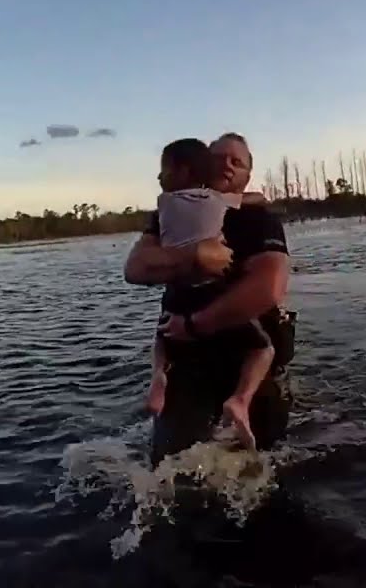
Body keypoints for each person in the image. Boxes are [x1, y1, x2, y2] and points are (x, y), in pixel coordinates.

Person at [125, 133, 295, 464]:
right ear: (202, 165)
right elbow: (135, 268)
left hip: (229, 344)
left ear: (247, 174)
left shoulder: (259, 218)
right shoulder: (165, 216)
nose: (227, 167)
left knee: (264, 462)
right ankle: (165, 384)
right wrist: (196, 254)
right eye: (219, 159)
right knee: (171, 465)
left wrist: (195, 324)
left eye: (237, 162)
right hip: (189, 359)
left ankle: (237, 399)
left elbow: (269, 286)